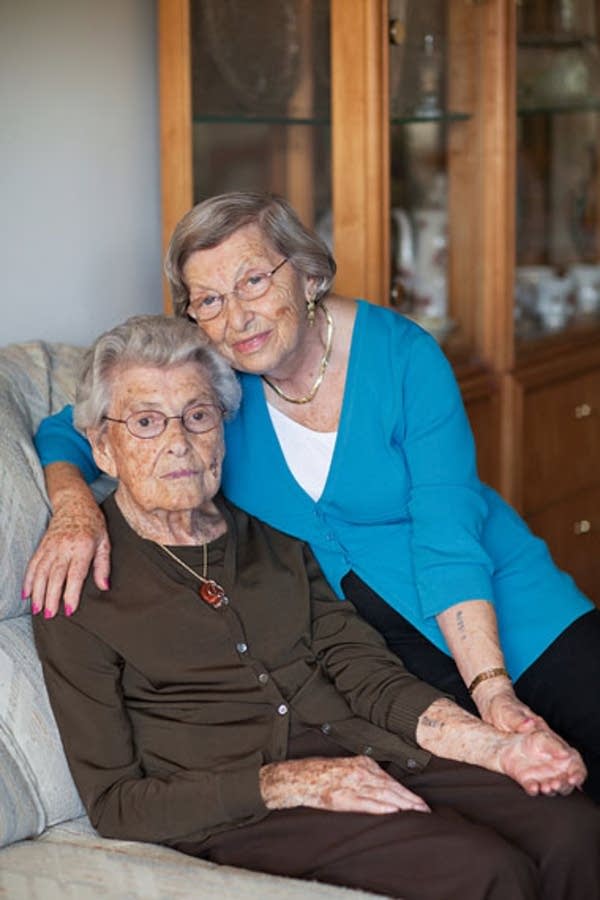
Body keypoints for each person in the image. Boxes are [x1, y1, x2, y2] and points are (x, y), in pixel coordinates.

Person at [27, 192, 600, 804]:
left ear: (306, 274)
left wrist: (491, 688)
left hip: (508, 611)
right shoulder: (215, 391)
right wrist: (74, 507)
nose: (237, 318)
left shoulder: (402, 357)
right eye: (210, 301)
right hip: (384, 656)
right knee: (546, 809)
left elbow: (449, 539)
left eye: (253, 281)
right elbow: (70, 430)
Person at [32, 315, 600, 900]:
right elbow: (115, 804)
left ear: (223, 429)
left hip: (375, 748)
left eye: (198, 415)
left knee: (575, 831)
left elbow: (371, 676)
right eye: (147, 422)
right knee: (486, 870)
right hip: (250, 807)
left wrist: (500, 747)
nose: (179, 442)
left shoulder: (276, 544)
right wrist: (286, 782)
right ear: (103, 446)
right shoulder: (75, 590)